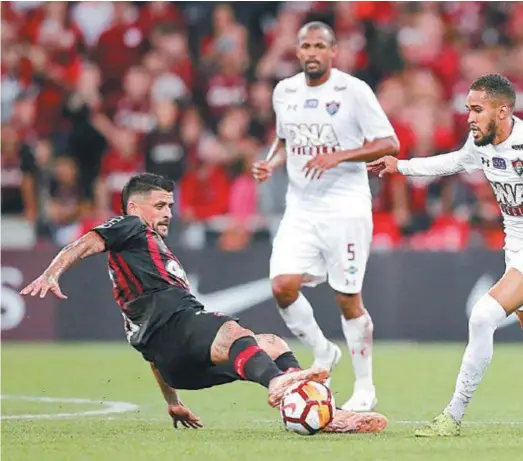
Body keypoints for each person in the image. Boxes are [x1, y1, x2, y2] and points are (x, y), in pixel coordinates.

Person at [20, 172, 387, 433]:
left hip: (176, 365)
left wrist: (171, 401)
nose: (167, 213)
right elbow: (85, 242)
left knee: (272, 344)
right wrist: (53, 271)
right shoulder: (132, 226)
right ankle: (281, 386)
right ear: (135, 207)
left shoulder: (140, 273)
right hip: (178, 329)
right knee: (232, 332)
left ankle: (324, 414)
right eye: (160, 205)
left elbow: (152, 354)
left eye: (170, 205)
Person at [252, 21, 400, 411]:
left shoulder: (353, 91)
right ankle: (323, 351)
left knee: (347, 298)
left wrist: (340, 155)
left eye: (320, 46)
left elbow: (390, 143)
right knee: (282, 285)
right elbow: (285, 140)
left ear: (333, 52)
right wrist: (271, 163)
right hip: (300, 207)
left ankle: (365, 387)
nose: (313, 52)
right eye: (306, 46)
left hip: (345, 207)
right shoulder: (284, 91)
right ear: (297, 51)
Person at [368, 73, 523, 437]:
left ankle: (452, 416)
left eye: (476, 109)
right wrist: (400, 166)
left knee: (483, 317)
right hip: (514, 244)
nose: (469, 117)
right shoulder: (481, 144)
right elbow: (451, 162)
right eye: (468, 108)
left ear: (502, 111)